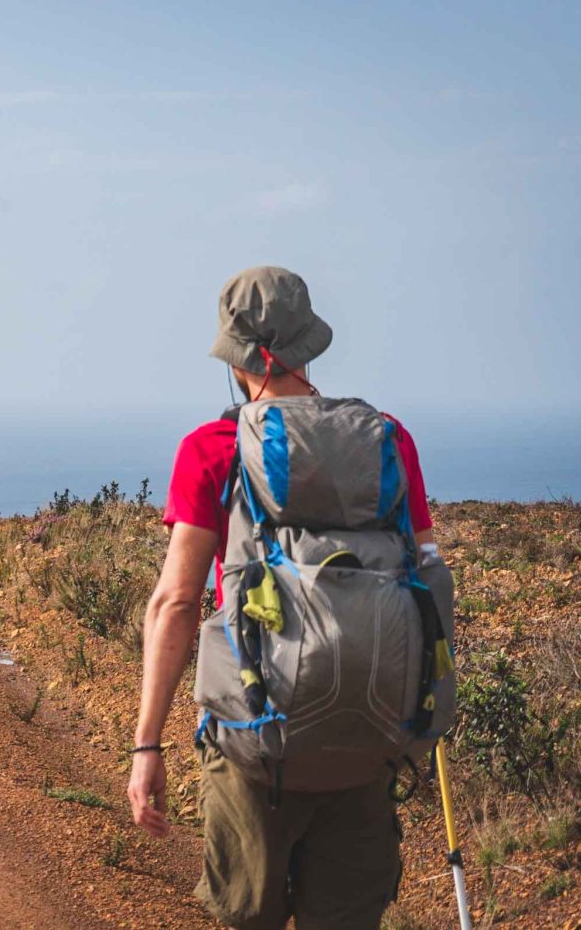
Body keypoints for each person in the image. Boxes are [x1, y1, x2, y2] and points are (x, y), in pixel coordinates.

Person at [126, 266, 435, 930]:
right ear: (306, 347)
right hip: (368, 741)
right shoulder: (387, 441)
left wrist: (146, 746)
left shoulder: (213, 449)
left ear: (238, 356)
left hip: (253, 750)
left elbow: (176, 603)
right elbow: (429, 581)